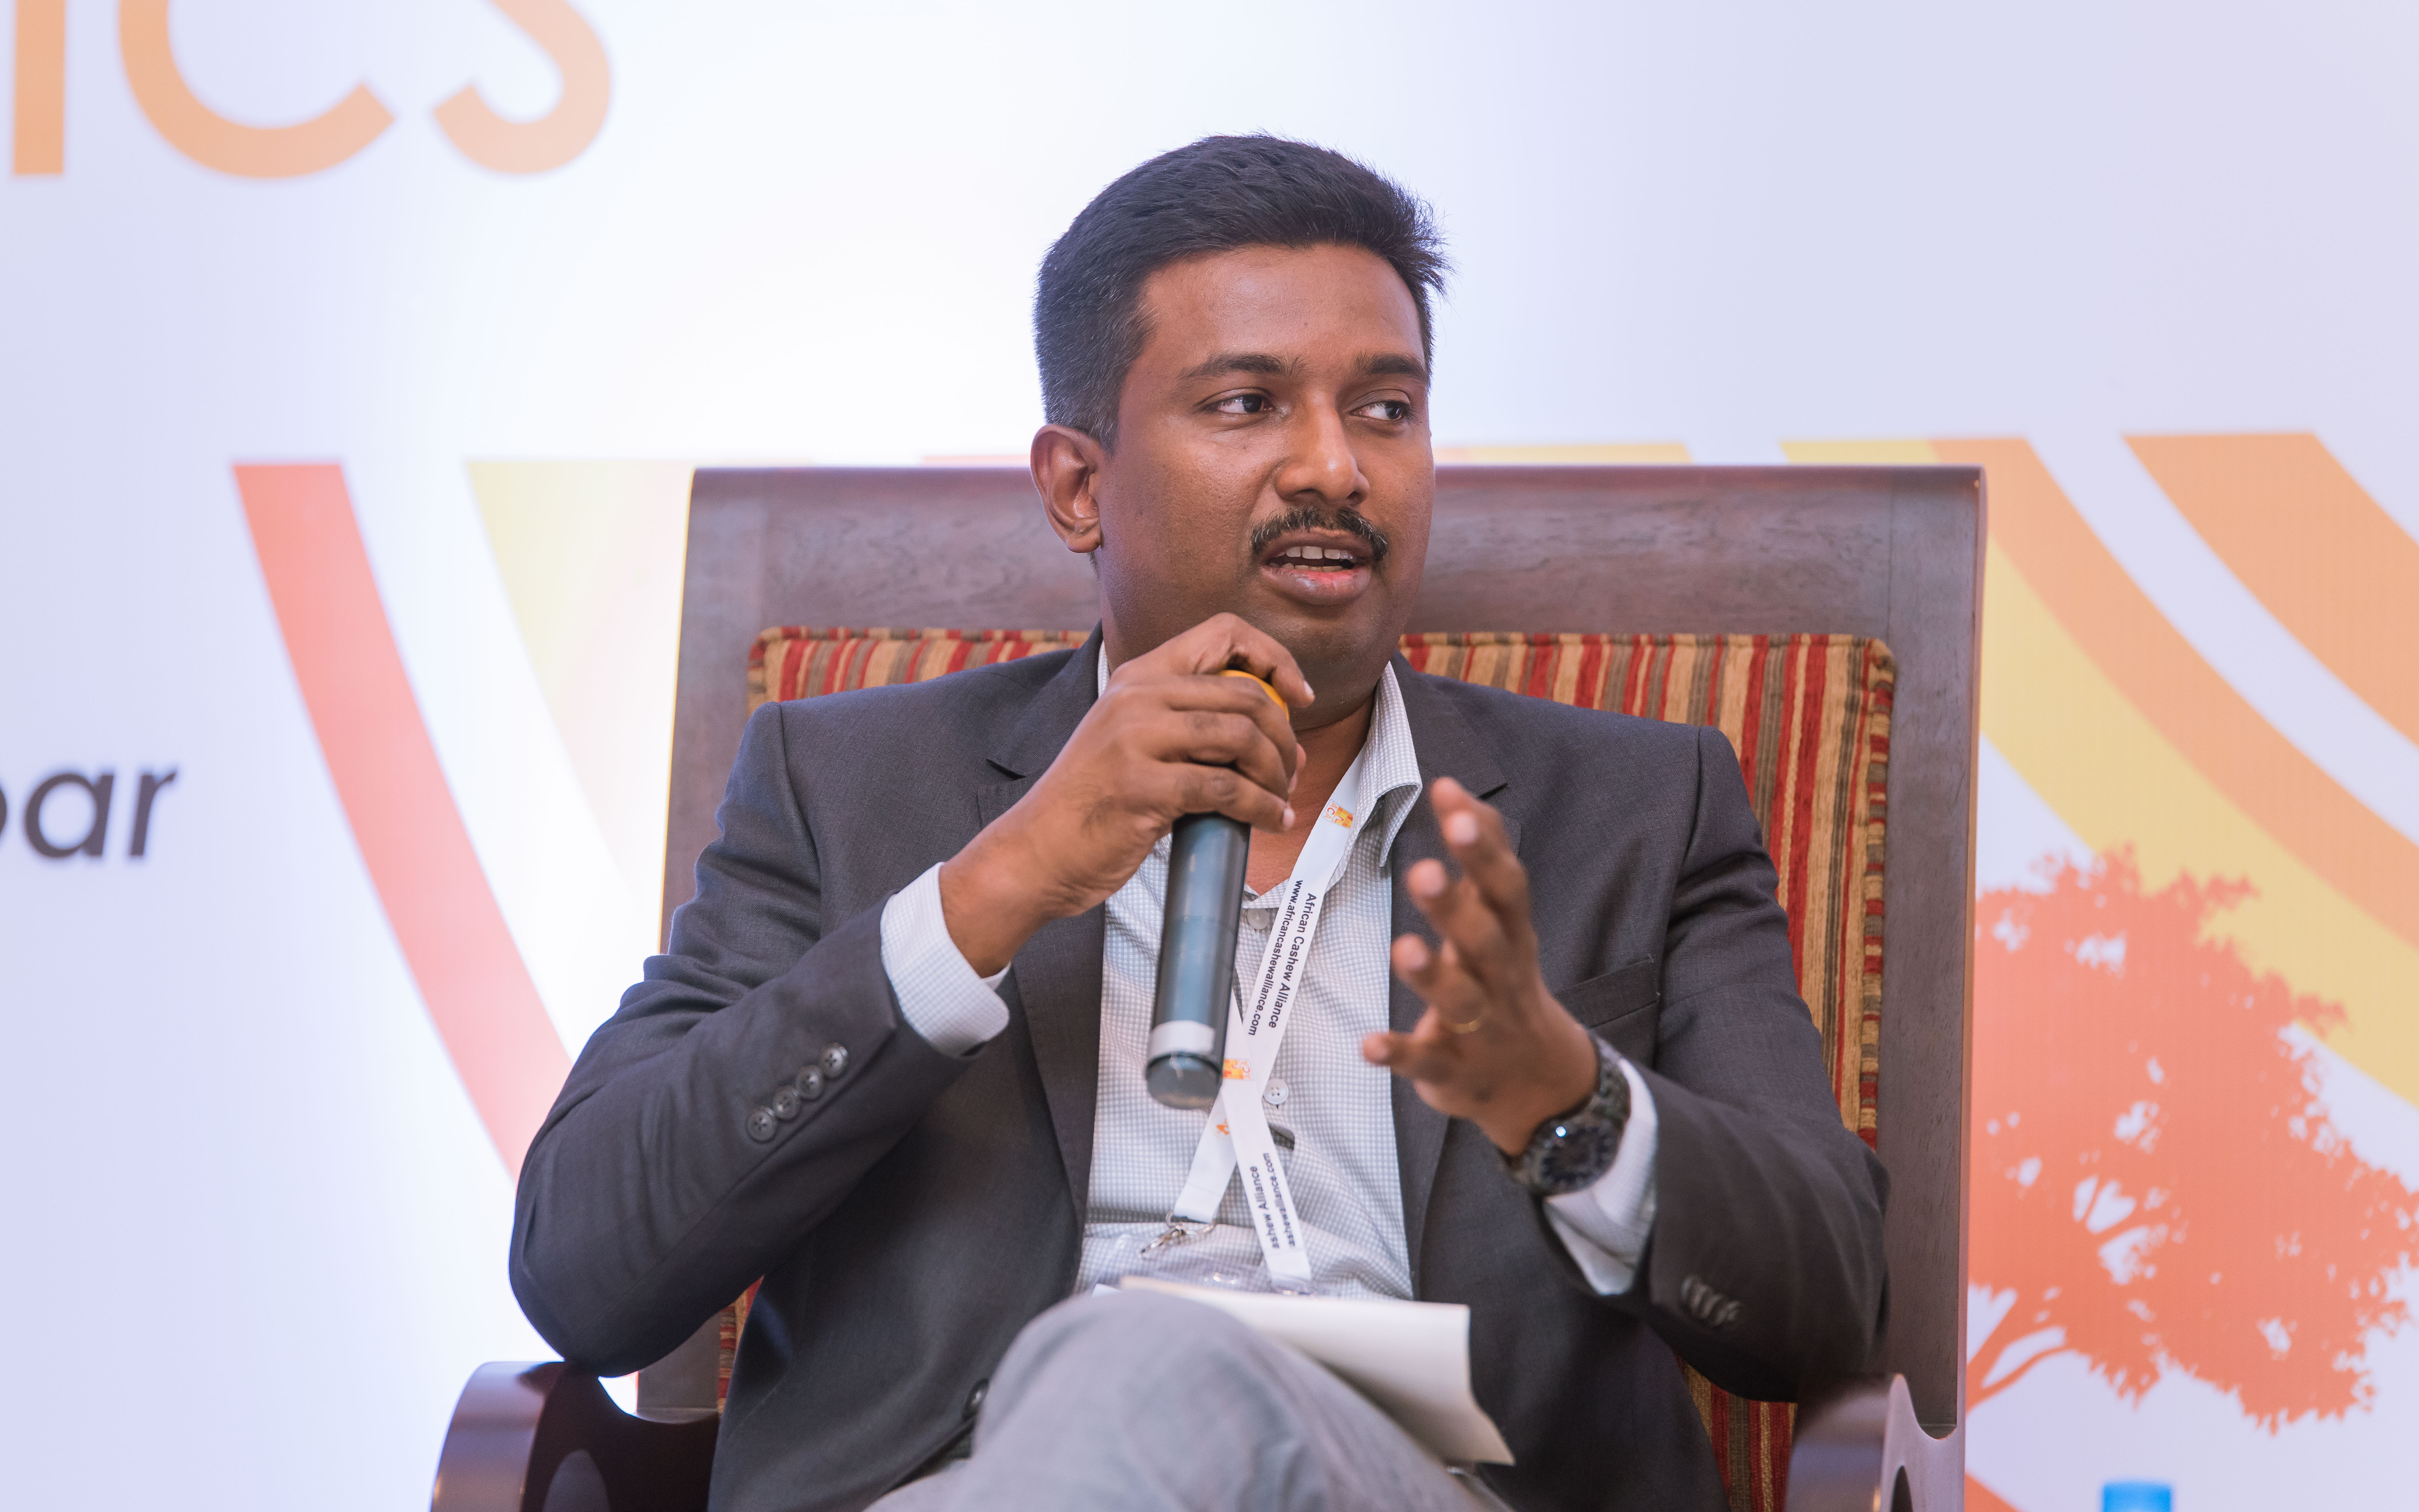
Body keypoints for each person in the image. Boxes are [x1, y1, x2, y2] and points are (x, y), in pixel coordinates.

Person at [510, 135, 1886, 1512]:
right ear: (1077, 486)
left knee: (1154, 1366)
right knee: (1123, 1376)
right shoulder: (848, 785)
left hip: (1422, 1487)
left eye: (1387, 409)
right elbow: (585, 1270)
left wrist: (1566, 1102)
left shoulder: (1638, 807)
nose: (1335, 467)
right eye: (1247, 404)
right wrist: (990, 892)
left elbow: (1828, 1303)